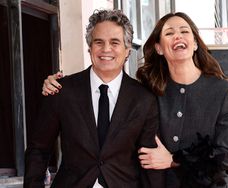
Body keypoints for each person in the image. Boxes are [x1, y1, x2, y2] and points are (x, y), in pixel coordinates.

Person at [42, 12, 228, 187]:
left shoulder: (222, 92)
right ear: (159, 48)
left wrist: (173, 160)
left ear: (195, 43)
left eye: (184, 31)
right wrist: (53, 84)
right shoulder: (148, 91)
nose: (178, 36)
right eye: (169, 33)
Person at [24, 9, 164, 188]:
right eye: (99, 42)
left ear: (127, 50)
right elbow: (38, 150)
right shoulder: (62, 91)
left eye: (115, 42)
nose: (106, 49)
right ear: (90, 47)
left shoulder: (144, 99)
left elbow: (149, 162)